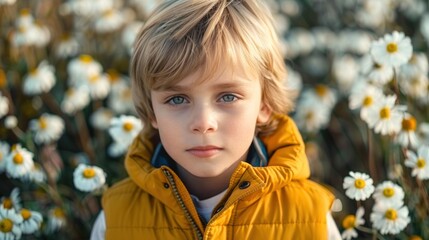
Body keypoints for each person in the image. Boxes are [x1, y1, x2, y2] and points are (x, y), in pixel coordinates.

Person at [91, 0, 341, 239]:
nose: (203, 122)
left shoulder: (312, 219)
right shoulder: (115, 219)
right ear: (152, 111)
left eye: (228, 96)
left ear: (264, 104)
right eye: (177, 99)